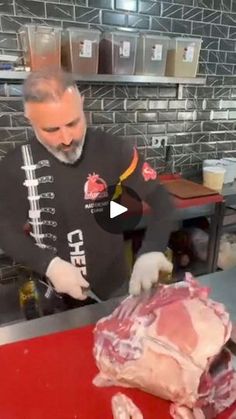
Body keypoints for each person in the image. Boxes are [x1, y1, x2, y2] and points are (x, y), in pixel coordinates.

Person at [0, 70, 175, 311]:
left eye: (73, 122)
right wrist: (49, 264)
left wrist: (151, 250)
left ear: (82, 105)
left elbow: (161, 200)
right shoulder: (14, 166)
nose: (66, 138)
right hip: (50, 296)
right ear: (30, 119)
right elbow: (4, 229)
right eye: (51, 130)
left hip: (113, 288)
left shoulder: (113, 150)